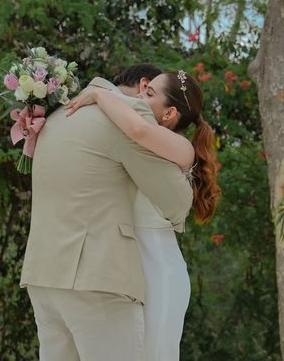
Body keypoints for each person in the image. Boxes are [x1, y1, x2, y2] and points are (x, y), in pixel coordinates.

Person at [20, 64, 193, 361]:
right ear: (143, 86)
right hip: (95, 281)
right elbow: (175, 202)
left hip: (43, 277)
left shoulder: (59, 114)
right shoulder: (125, 118)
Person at [65, 69, 221, 361]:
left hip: (159, 272)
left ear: (170, 112)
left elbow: (138, 130)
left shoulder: (180, 146)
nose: (139, 95)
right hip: (132, 272)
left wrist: (100, 93)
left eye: (149, 94)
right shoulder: (137, 141)